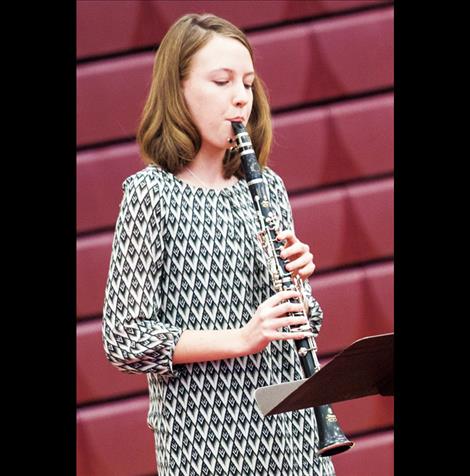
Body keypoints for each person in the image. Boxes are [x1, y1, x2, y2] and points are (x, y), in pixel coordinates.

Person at [102, 13, 335, 476]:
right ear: (179, 90)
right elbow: (125, 337)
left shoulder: (267, 186)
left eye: (248, 83)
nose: (240, 98)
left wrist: (301, 288)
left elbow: (301, 328)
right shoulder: (151, 194)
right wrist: (241, 339)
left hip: (297, 440)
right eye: (222, 81)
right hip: (207, 445)